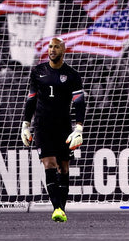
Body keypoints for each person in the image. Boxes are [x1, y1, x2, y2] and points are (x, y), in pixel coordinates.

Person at [20, 37, 86, 223]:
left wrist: (78, 128)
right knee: (48, 164)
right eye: (50, 47)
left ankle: (61, 209)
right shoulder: (37, 71)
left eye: (56, 47)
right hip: (42, 125)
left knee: (63, 169)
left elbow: (79, 103)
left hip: (63, 126)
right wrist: (25, 125)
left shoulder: (72, 75)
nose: (52, 50)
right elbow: (31, 99)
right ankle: (57, 208)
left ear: (63, 50)